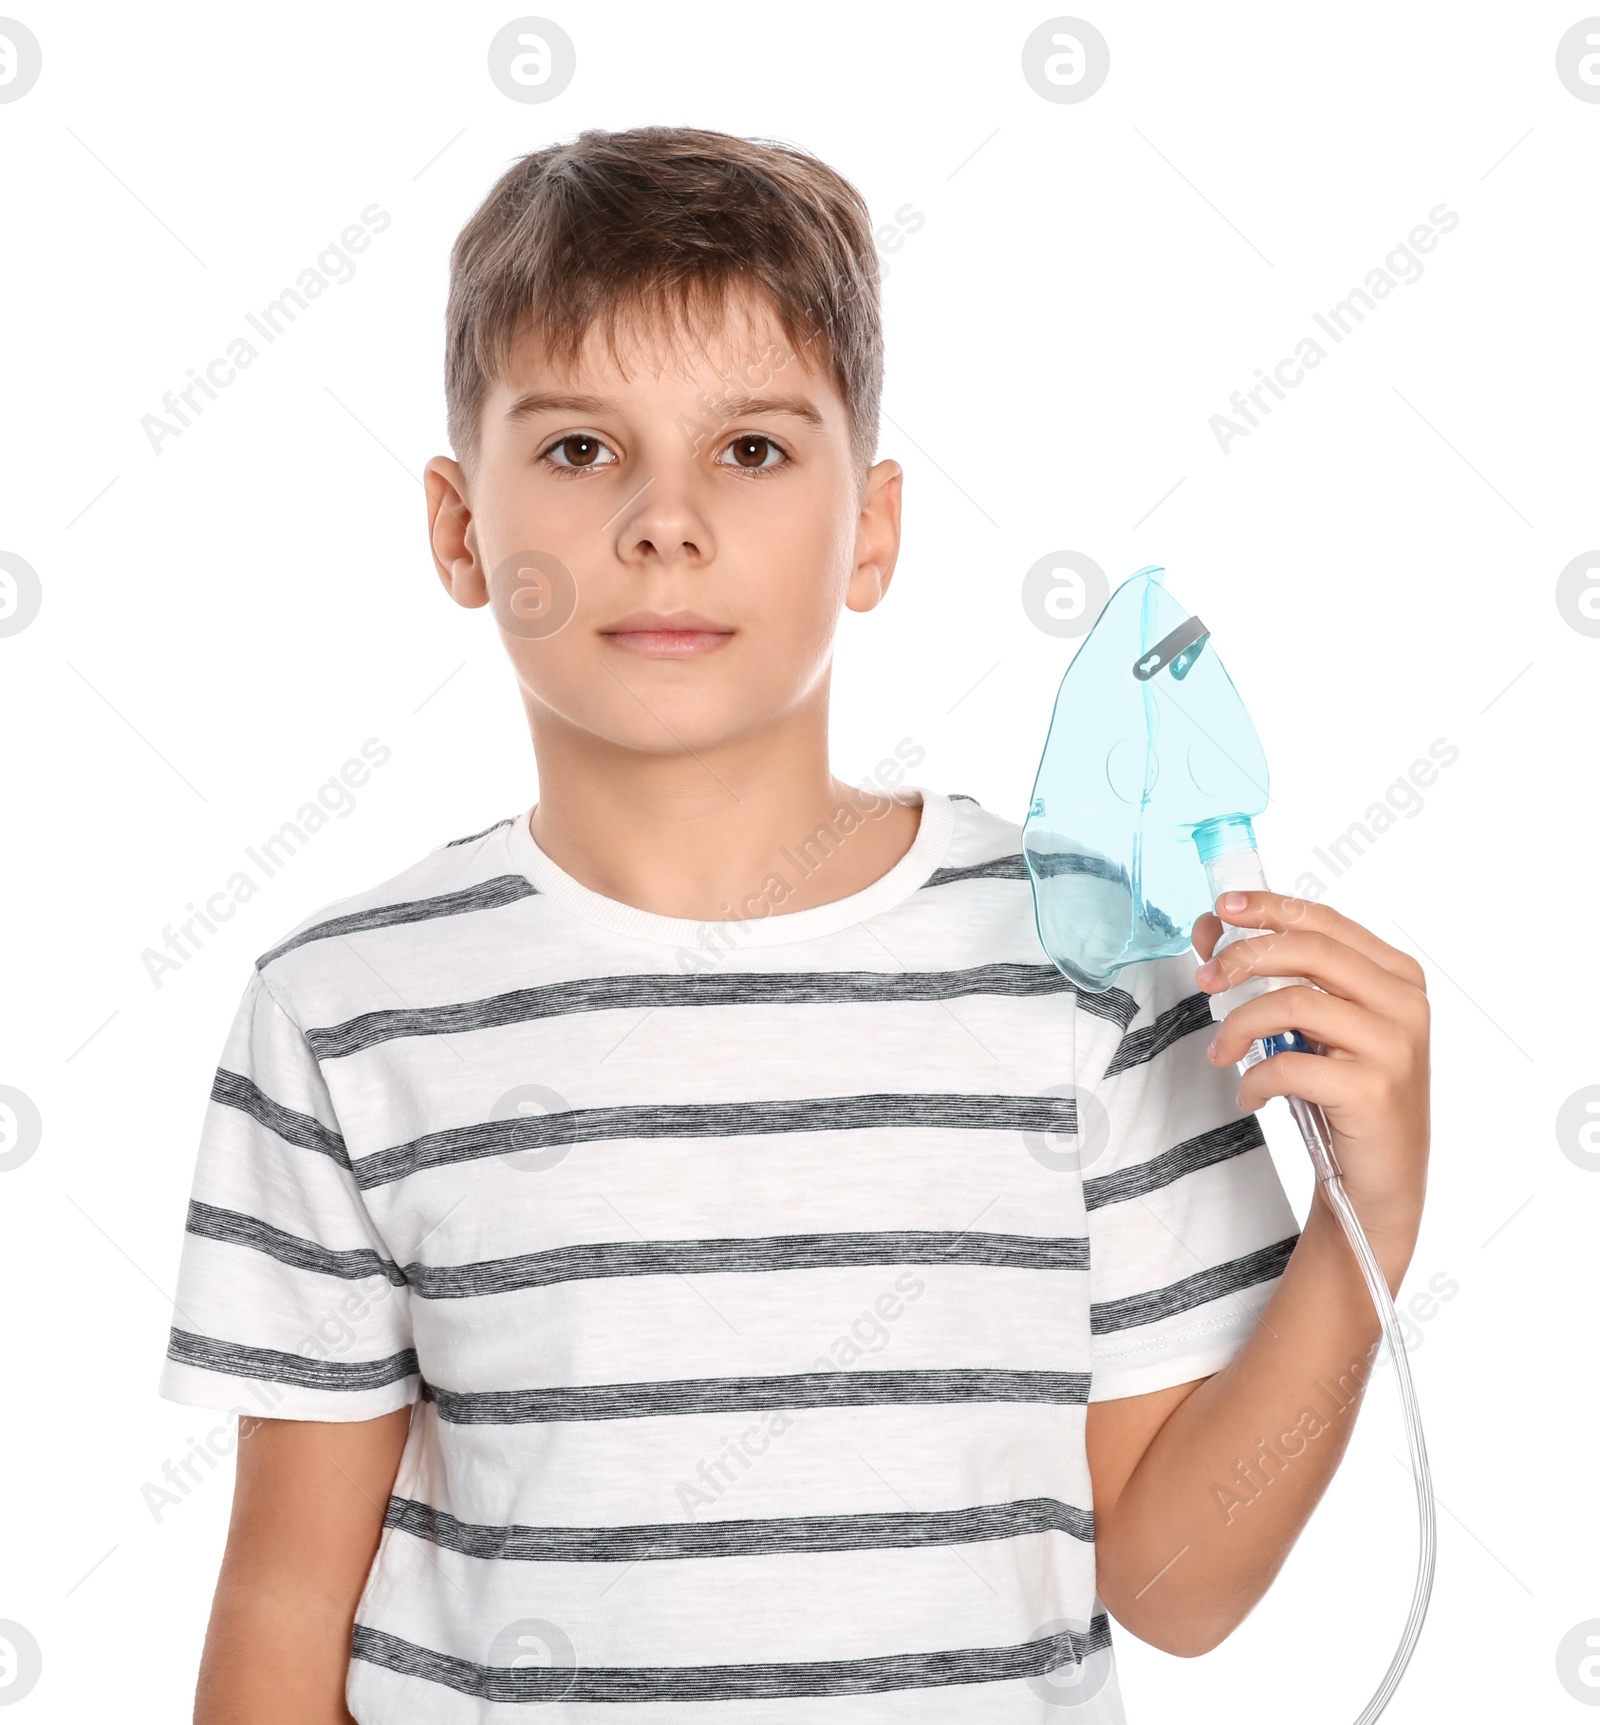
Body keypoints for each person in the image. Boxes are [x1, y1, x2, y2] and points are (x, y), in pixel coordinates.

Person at [158, 125, 1431, 1724]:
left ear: (874, 526)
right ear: (459, 527)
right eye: (576, 450)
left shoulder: (1083, 964)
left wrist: (1370, 1204)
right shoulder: (345, 1012)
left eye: (751, 450)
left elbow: (1177, 1587)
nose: (665, 521)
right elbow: (283, 1596)